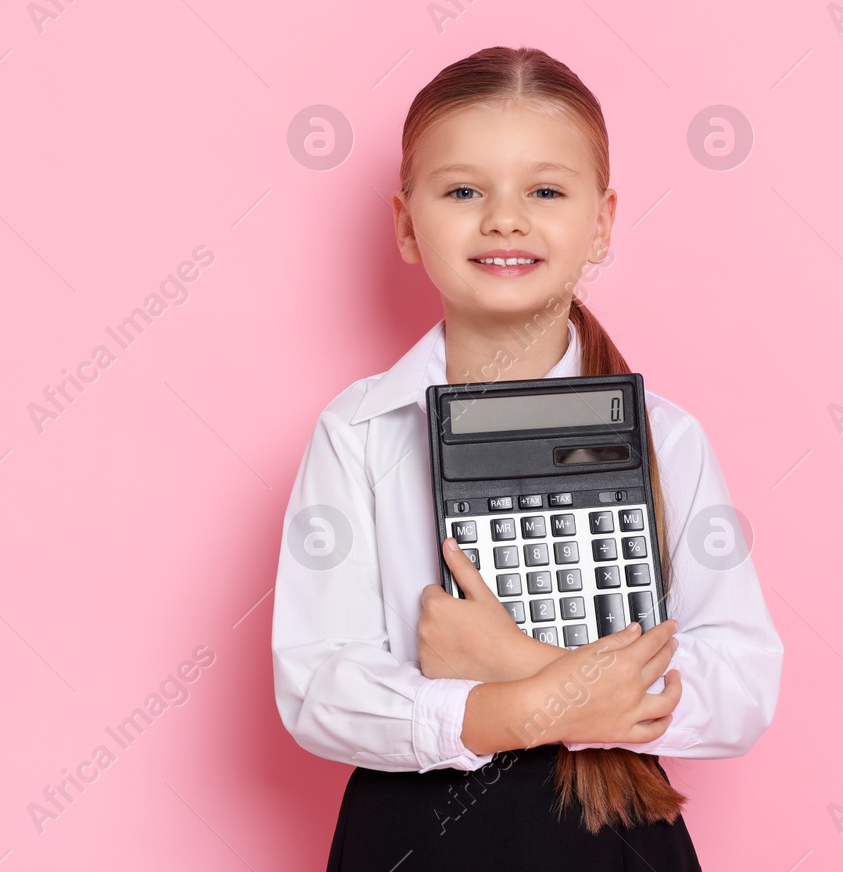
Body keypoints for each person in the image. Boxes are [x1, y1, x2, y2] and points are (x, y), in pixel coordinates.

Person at [271, 45, 783, 870]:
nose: (504, 218)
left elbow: (742, 687)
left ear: (603, 221)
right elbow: (319, 686)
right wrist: (533, 704)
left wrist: (516, 665)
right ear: (406, 223)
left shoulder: (668, 436)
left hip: (610, 836)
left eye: (545, 190)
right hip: (413, 840)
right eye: (464, 189)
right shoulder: (359, 430)